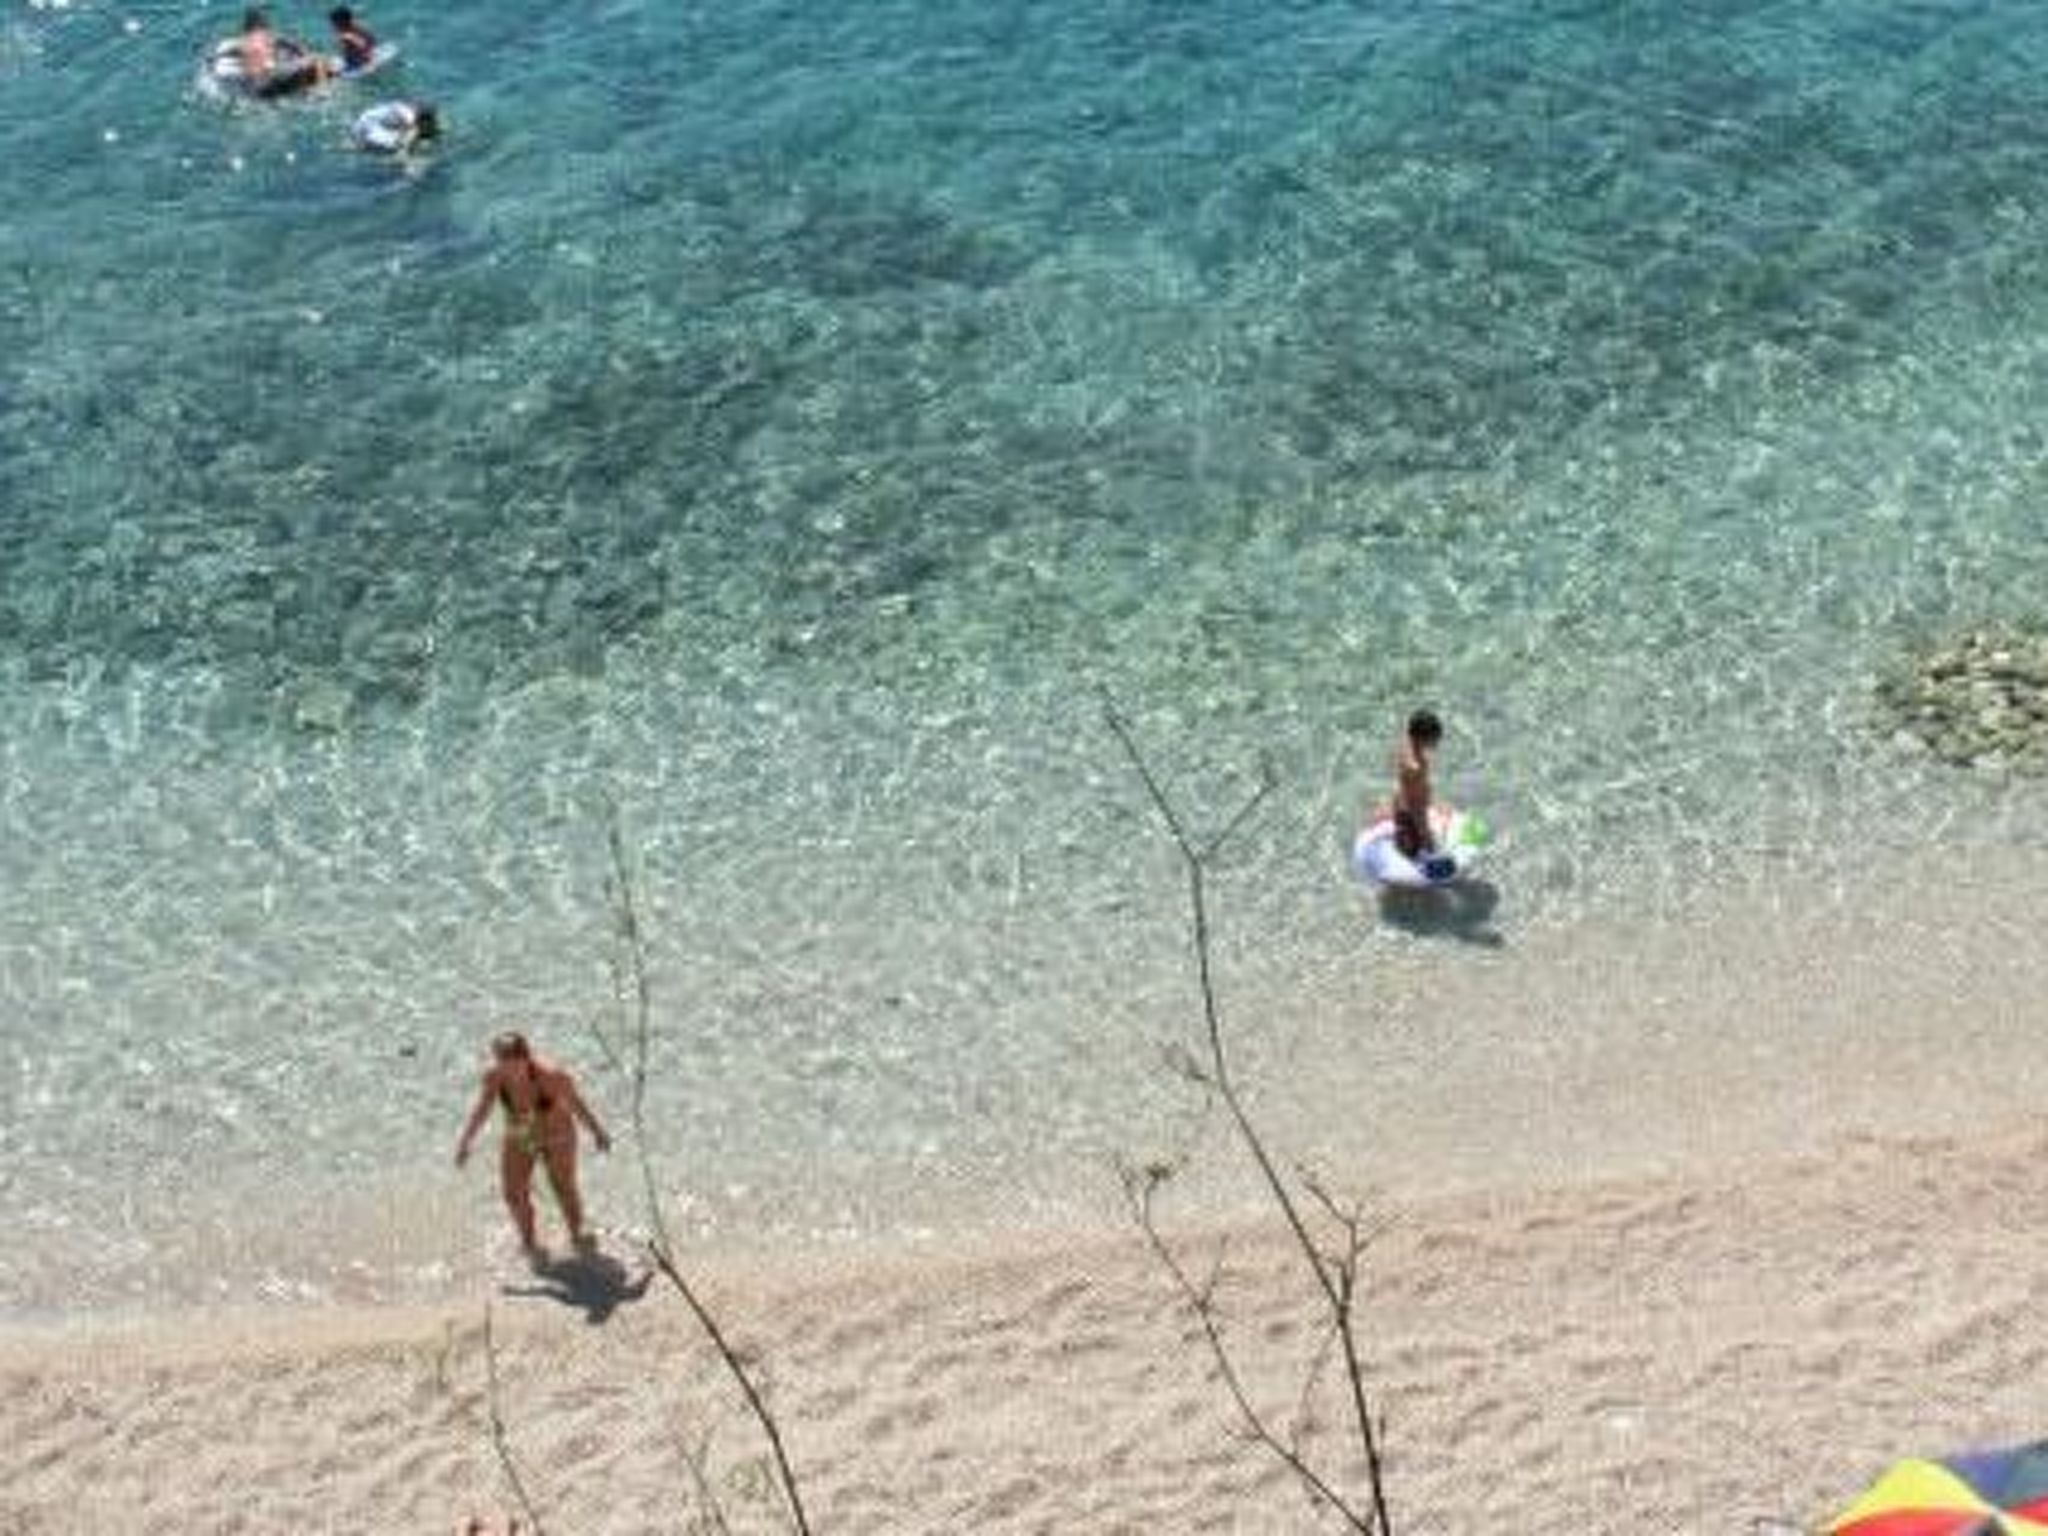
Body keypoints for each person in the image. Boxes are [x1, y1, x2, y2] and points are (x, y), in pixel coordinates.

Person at [454, 1031, 611, 1260]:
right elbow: (482, 1110)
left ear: (527, 1057)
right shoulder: (494, 1078)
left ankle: (577, 1237)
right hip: (520, 1134)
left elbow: (578, 1106)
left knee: (563, 1188)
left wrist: (597, 1132)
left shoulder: (554, 1077)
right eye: (501, 1061)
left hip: (557, 1135)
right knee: (512, 1194)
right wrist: (465, 1142)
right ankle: (529, 1243)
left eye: (512, 1063)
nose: (507, 1070)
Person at [1385, 708, 1444, 859]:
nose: (1438, 741)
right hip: (1411, 818)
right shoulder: (1415, 767)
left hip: (1401, 809)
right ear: (1421, 738)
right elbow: (1415, 805)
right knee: (1419, 853)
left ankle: (1401, 838)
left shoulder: (1407, 744)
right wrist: (1426, 836)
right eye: (1435, 737)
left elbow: (1403, 789)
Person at [237, 6, 328, 98]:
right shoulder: (271, 38)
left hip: (253, 85)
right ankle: (321, 92)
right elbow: (305, 54)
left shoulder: (241, 42)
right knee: (315, 62)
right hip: (269, 80)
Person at [351, 99, 440, 155]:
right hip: (367, 128)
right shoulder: (410, 120)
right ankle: (360, 146)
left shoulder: (406, 110)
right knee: (396, 145)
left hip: (366, 119)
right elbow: (405, 145)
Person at [328, 5, 378, 72]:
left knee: (349, 38)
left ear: (343, 21)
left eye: (335, 22)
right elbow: (341, 46)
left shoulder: (356, 27)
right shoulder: (340, 29)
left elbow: (367, 43)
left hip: (365, 53)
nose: (333, 25)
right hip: (352, 55)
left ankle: (365, 61)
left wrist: (370, 61)